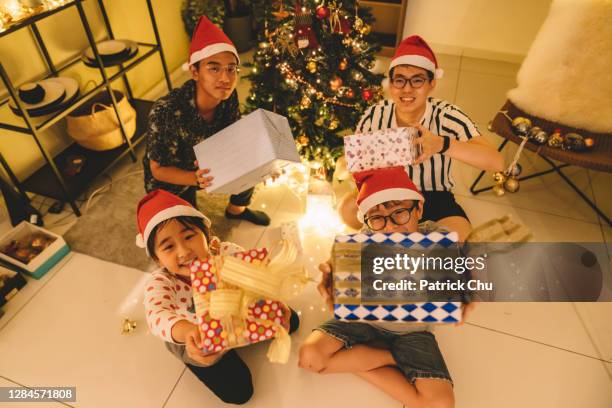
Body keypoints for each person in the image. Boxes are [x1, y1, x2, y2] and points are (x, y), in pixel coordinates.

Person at [299, 167, 474, 408]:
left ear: (419, 208)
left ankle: (365, 356)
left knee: (441, 404)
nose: (390, 226)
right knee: (309, 358)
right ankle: (390, 357)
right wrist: (333, 272)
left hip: (413, 334)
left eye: (399, 212)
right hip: (363, 321)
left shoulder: (437, 237)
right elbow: (341, 271)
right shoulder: (364, 239)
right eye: (378, 218)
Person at [136, 189, 299, 404]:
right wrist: (187, 332)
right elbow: (158, 316)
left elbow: (254, 280)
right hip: (197, 336)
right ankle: (203, 352)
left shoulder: (226, 252)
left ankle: (243, 334)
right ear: (157, 260)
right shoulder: (161, 283)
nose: (184, 251)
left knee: (291, 320)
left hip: (234, 313)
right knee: (239, 392)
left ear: (207, 236)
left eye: (189, 236)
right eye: (168, 247)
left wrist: (269, 295)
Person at [337, 35, 504, 241]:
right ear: (390, 84)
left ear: (432, 83)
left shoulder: (446, 115)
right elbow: (357, 164)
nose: (407, 89)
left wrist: (442, 144)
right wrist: (352, 165)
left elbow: (496, 162)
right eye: (399, 80)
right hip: (386, 193)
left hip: (434, 195)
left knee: (459, 241)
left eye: (417, 80)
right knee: (346, 210)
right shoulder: (375, 115)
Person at [143, 16, 270, 226]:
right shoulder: (165, 110)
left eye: (231, 69)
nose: (225, 78)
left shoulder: (227, 96)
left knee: (254, 157)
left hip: (210, 163)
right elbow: (158, 170)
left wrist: (264, 164)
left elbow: (235, 139)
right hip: (174, 177)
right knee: (192, 230)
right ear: (194, 72)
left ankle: (236, 210)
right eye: (214, 68)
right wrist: (195, 179)